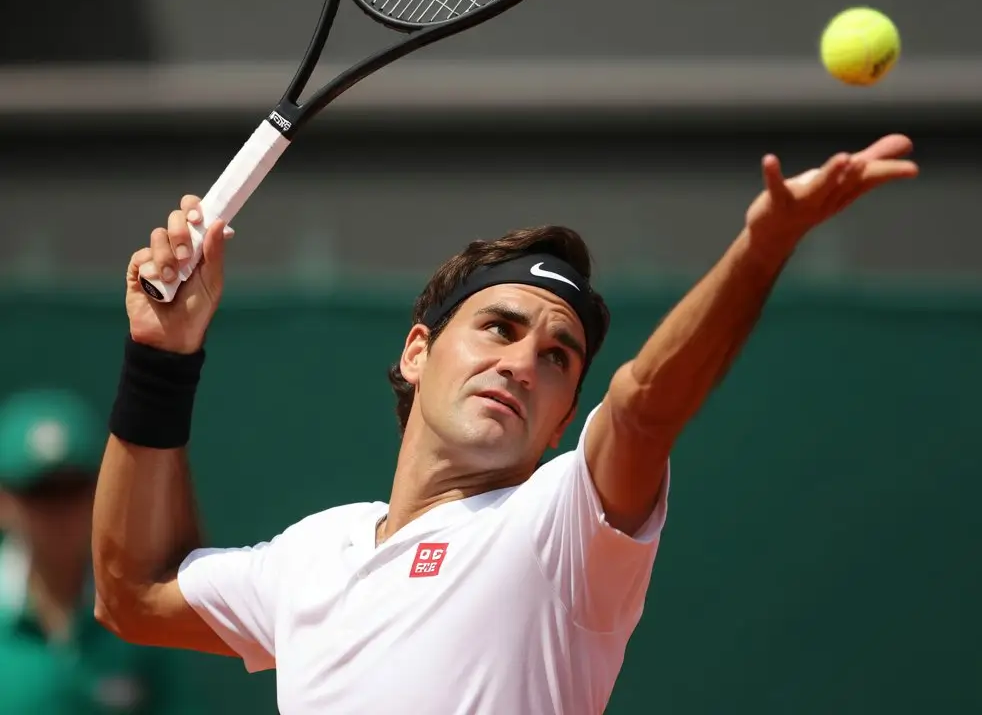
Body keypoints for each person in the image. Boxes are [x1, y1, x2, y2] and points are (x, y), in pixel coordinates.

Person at [90, 134, 919, 714]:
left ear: (561, 422)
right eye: (501, 328)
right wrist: (161, 357)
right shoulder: (314, 554)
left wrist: (762, 248)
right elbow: (130, 596)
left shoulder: (558, 531)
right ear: (418, 352)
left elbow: (642, 408)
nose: (525, 362)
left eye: (559, 357)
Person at [0, 388, 186, 714]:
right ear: (5, 502)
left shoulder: (146, 610)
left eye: (73, 489)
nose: (60, 513)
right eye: (41, 492)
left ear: (101, 493)